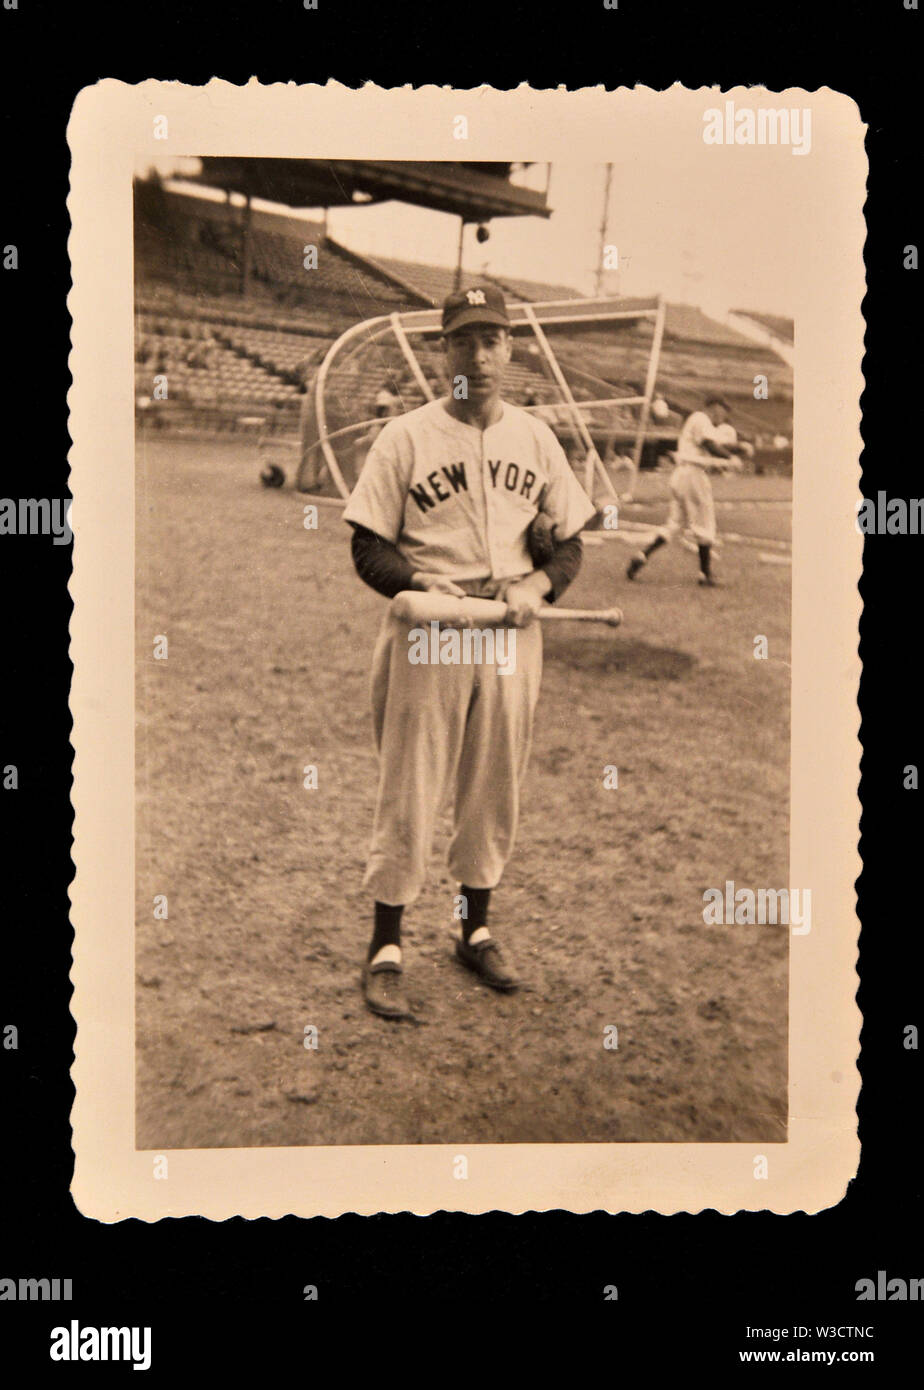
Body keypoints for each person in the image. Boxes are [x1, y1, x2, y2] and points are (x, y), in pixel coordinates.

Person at [342, 285, 597, 1019]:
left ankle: (474, 928)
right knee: (411, 783)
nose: (476, 355)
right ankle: (386, 945)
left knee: (495, 783)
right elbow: (366, 543)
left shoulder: (537, 438)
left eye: (490, 340)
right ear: (442, 351)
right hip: (430, 628)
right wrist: (419, 576)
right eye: (462, 341)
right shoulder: (406, 436)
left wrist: (544, 582)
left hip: (512, 630)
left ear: (510, 350)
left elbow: (572, 536)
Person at [625, 395, 753, 587]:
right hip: (692, 475)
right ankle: (705, 574)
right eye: (722, 412)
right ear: (715, 406)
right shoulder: (700, 418)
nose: (722, 418)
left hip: (681, 475)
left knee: (674, 524)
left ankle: (642, 555)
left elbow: (718, 444)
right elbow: (710, 445)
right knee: (705, 523)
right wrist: (731, 458)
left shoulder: (703, 423)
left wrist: (740, 449)